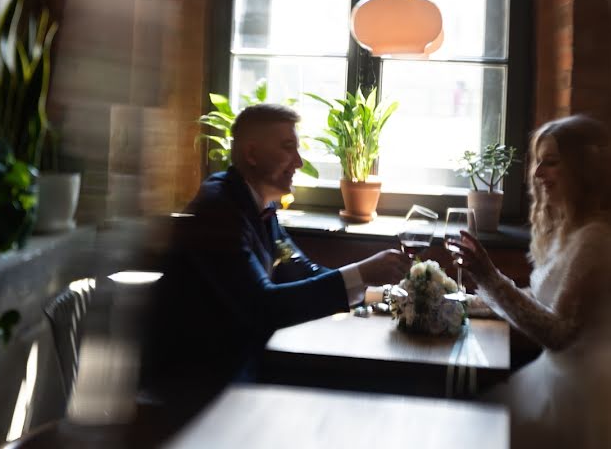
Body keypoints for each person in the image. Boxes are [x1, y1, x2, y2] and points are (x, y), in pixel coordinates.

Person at [140, 103, 409, 425]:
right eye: (287, 149)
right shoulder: (219, 210)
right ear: (252, 154)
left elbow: (303, 271)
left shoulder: (260, 206)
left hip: (242, 360)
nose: (298, 162)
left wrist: (384, 294)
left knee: (361, 385)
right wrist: (362, 272)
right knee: (356, 392)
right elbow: (262, 306)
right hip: (197, 381)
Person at [451, 115, 611, 449]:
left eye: (551, 163)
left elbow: (559, 333)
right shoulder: (569, 228)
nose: (537, 174)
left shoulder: (596, 239)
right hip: (556, 374)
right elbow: (544, 296)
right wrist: (469, 302)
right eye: (538, 162)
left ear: (582, 170)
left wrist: (489, 277)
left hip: (585, 391)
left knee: (477, 429)